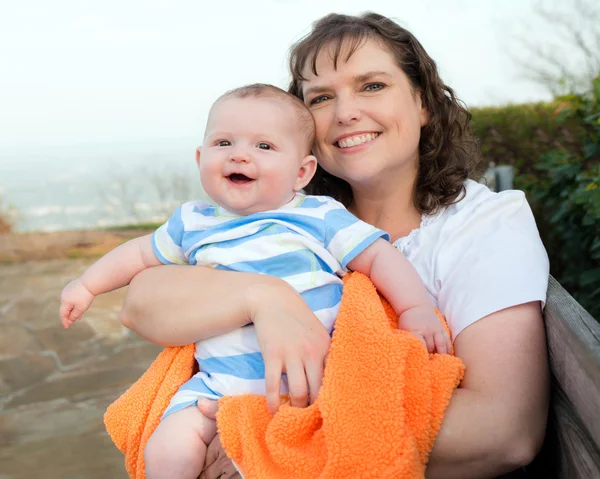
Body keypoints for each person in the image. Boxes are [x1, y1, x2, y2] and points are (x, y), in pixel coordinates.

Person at [118, 12, 550, 479]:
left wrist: (262, 440)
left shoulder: (482, 223)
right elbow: (139, 303)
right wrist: (263, 297)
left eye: (372, 86)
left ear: (423, 103)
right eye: (322, 97)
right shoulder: (286, 217)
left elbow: (504, 432)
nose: (345, 113)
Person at [60, 83, 451, 479]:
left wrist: (414, 308)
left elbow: (379, 256)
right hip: (217, 386)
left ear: (302, 172)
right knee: (165, 448)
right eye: (224, 142)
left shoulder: (315, 215)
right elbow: (139, 254)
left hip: (313, 380)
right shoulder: (194, 222)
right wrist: (88, 285)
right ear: (201, 158)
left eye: (264, 147)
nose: (240, 154)